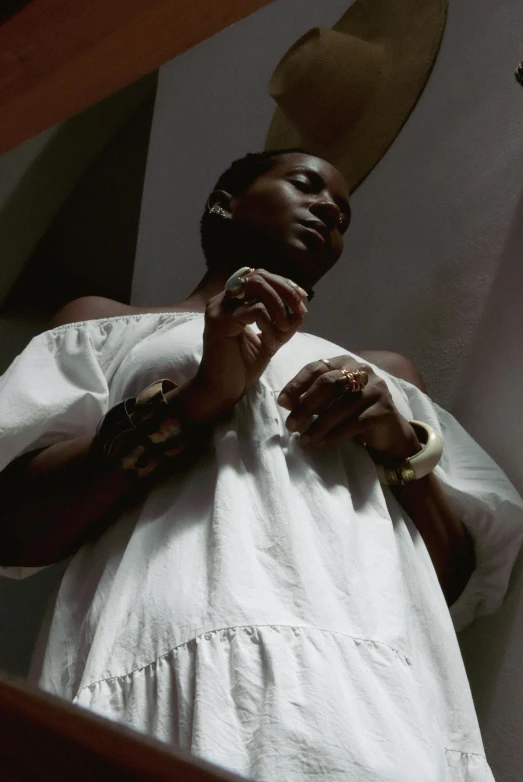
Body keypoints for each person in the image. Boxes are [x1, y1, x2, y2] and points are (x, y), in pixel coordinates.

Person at [0, 148, 522, 782]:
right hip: (164, 632)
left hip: (370, 664)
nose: (329, 209)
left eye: (343, 216)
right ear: (223, 202)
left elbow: (449, 582)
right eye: (305, 185)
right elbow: (14, 525)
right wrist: (195, 401)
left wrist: (392, 439)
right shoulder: (104, 326)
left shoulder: (384, 373)